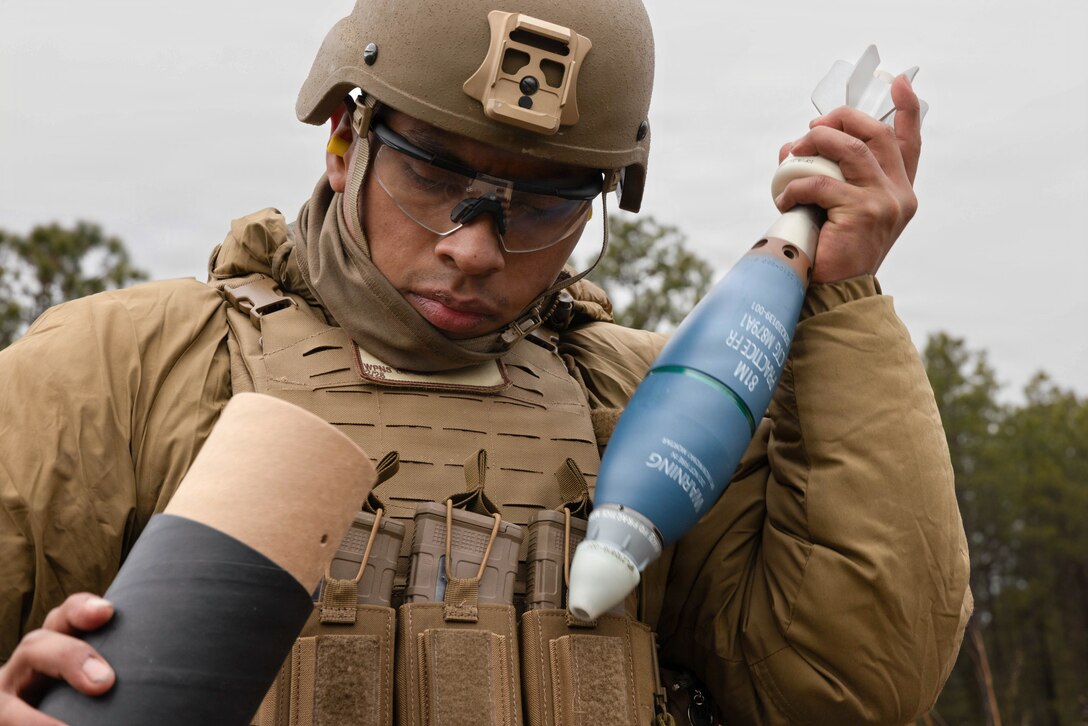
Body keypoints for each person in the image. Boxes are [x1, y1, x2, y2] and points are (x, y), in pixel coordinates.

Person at [0, 0, 972, 723]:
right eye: (431, 172)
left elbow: (844, 690)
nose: (473, 248)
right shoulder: (118, 370)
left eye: (544, 204)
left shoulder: (655, 412)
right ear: (344, 141)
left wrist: (839, 296)